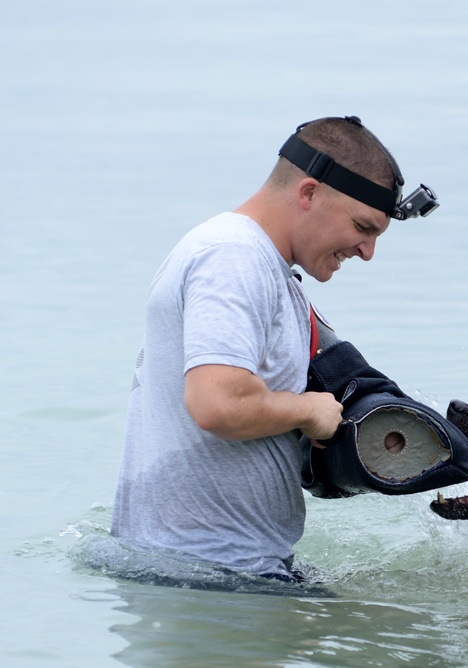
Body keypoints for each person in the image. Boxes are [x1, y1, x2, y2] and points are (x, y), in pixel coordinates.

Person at [111, 116, 415, 581]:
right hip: (207, 574)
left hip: (209, 565)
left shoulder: (262, 268)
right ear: (309, 193)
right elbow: (217, 404)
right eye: (362, 227)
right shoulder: (234, 258)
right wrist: (306, 411)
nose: (367, 252)